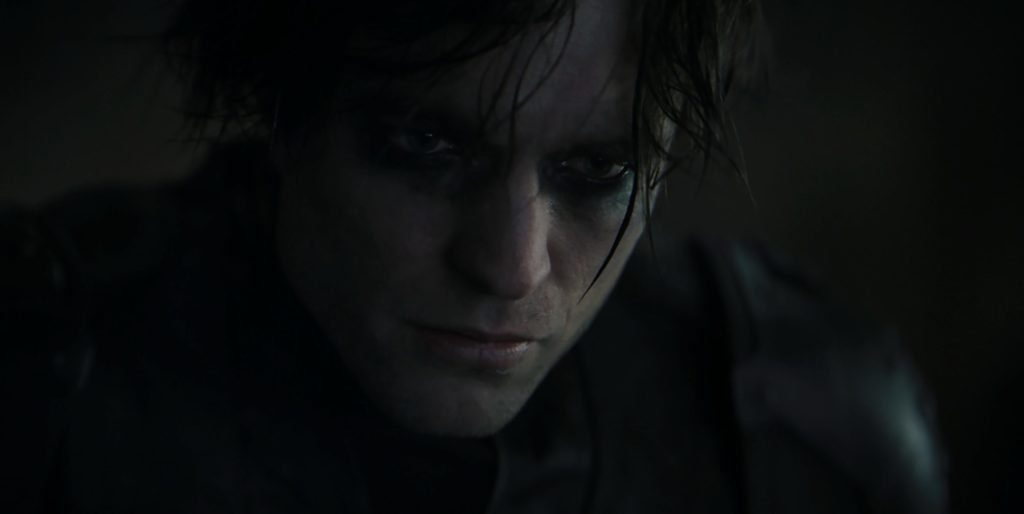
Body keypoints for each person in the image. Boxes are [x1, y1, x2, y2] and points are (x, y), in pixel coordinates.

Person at [1, 0, 947, 512]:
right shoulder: (38, 386)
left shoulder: (797, 432)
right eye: (425, 147)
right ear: (287, 111)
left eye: (597, 172)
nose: (510, 267)